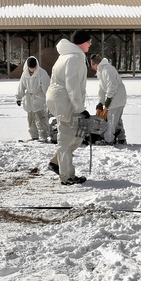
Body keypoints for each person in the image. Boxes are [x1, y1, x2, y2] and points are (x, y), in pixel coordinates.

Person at [46, 31, 92, 185]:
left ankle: (56, 162)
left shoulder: (66, 55)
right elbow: (72, 85)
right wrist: (79, 108)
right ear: (81, 42)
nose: (90, 44)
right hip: (64, 100)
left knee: (75, 136)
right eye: (88, 41)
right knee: (67, 137)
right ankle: (66, 176)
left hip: (59, 99)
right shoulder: (74, 58)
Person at [90, 53, 127, 144]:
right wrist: (100, 102)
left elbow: (112, 85)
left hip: (117, 98)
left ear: (95, 64)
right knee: (117, 120)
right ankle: (121, 137)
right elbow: (102, 88)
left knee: (111, 120)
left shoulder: (107, 69)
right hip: (117, 98)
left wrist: (108, 100)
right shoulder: (102, 71)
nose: (92, 68)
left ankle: (108, 140)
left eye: (92, 65)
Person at [15, 56, 53, 143]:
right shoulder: (24, 74)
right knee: (31, 119)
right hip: (29, 99)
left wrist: (49, 98)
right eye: (31, 68)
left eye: (34, 67)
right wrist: (18, 97)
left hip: (39, 98)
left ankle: (44, 136)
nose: (33, 69)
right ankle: (34, 136)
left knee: (41, 118)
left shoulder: (42, 73)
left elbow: (47, 87)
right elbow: (21, 86)